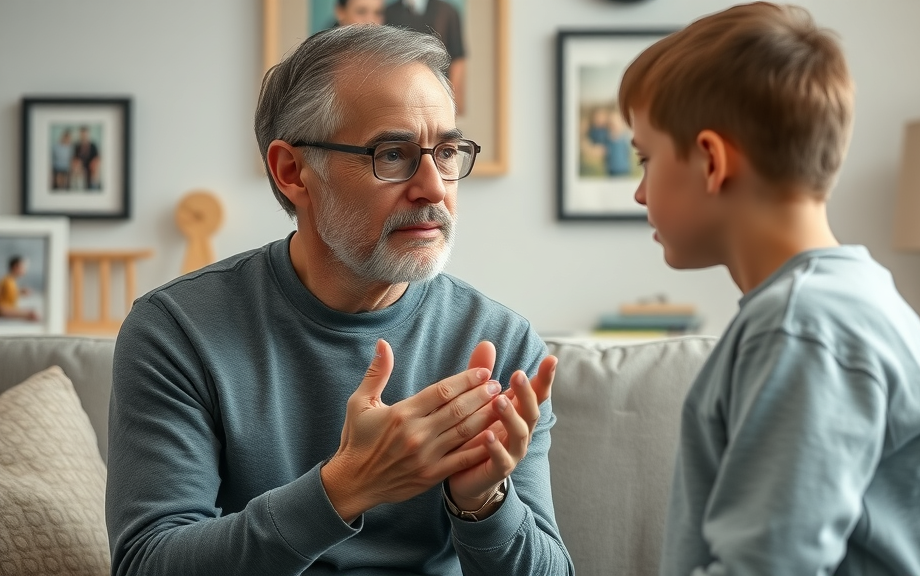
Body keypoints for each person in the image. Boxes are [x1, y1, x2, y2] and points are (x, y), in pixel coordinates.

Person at [106, 24, 573, 576]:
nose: (433, 186)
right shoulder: (176, 331)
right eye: (393, 153)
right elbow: (147, 564)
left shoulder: (501, 344)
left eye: (446, 152)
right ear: (292, 171)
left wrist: (483, 503)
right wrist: (346, 486)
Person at [617, 3, 920, 575]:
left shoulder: (803, 327)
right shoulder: (844, 300)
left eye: (646, 158)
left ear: (710, 160)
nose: (639, 193)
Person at [385, 0, 467, 113]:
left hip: (438, 94)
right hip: (400, 95)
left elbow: (457, 58)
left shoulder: (447, 11)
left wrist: (455, 99)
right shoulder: (389, 12)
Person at [0, 256, 39, 322]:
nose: (25, 270)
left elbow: (7, 296)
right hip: (5, 313)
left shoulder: (10, 281)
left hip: (8, 312)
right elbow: (2, 307)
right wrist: (25, 314)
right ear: (16, 267)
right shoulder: (7, 281)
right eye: (23, 267)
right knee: (34, 315)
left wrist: (19, 292)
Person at [71, 125, 100, 190]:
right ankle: (79, 188)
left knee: (95, 168)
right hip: (80, 166)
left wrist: (93, 164)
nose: (84, 136)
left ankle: (93, 187)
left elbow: (97, 157)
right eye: (82, 134)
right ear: (80, 134)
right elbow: (75, 158)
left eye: (85, 134)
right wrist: (78, 164)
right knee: (76, 167)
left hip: (91, 165)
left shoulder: (93, 145)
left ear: (88, 134)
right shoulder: (77, 146)